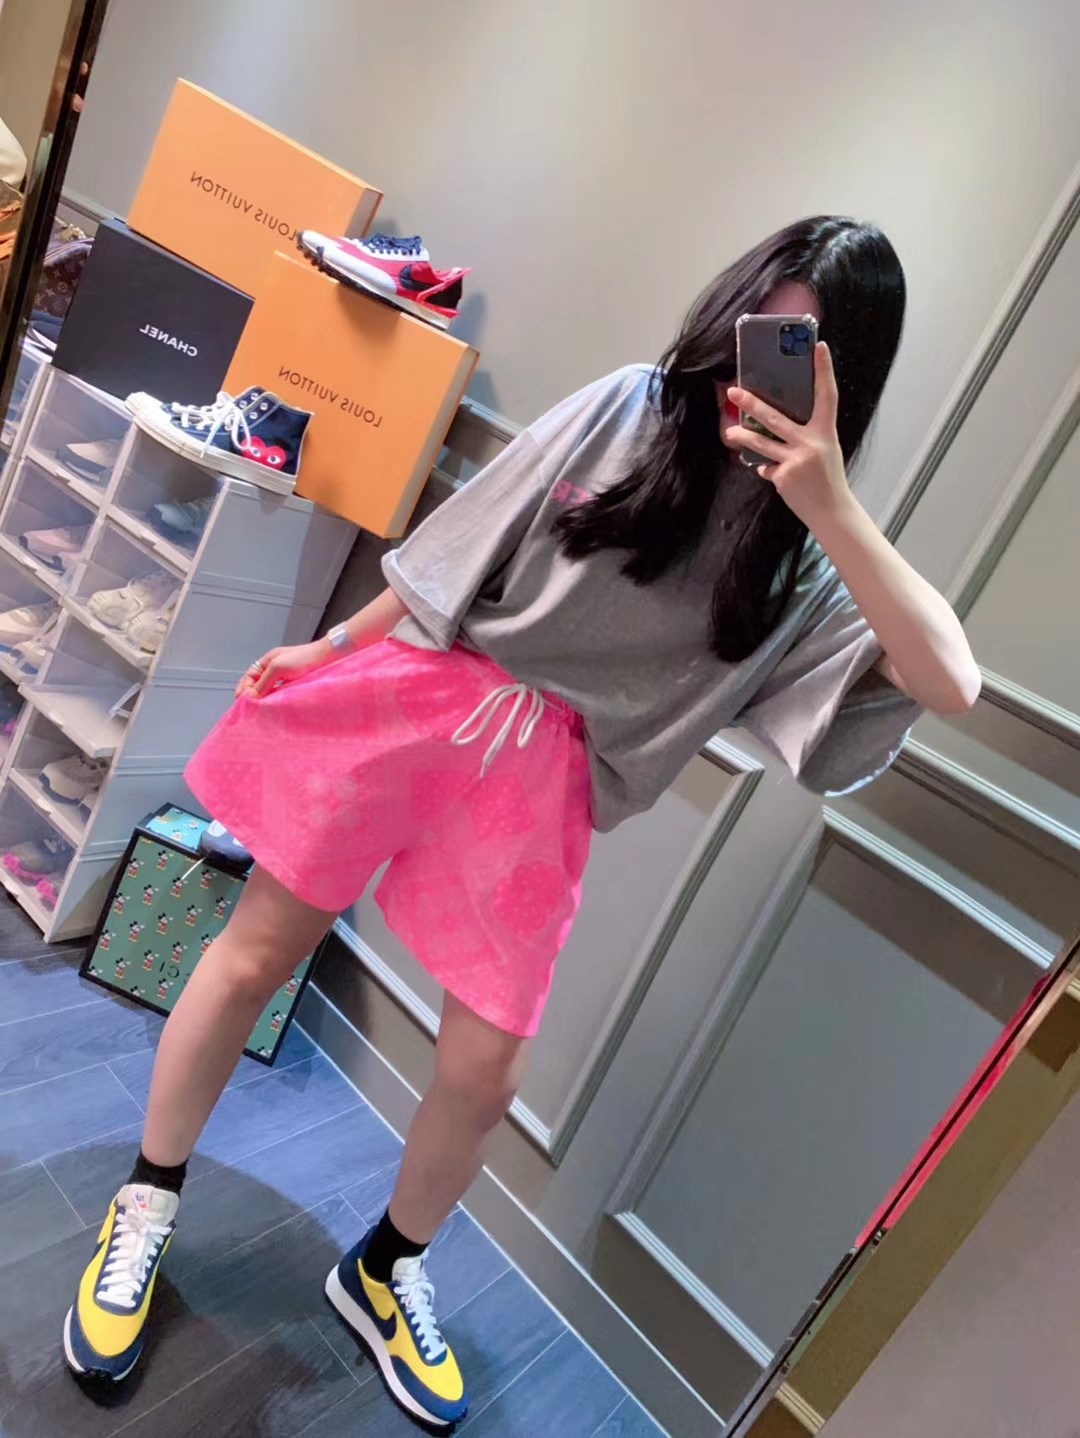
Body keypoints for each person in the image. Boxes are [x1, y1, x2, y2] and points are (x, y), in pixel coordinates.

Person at [62, 216, 980, 1428]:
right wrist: (331, 645)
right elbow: (459, 545)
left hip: (542, 782)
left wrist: (836, 509)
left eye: (799, 347)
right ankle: (145, 1202)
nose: (752, 364)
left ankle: (383, 1270)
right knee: (255, 953)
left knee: (485, 1071)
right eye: (758, 322)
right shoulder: (629, 408)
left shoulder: (806, 560)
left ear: (841, 376)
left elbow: (951, 681)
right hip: (424, 698)